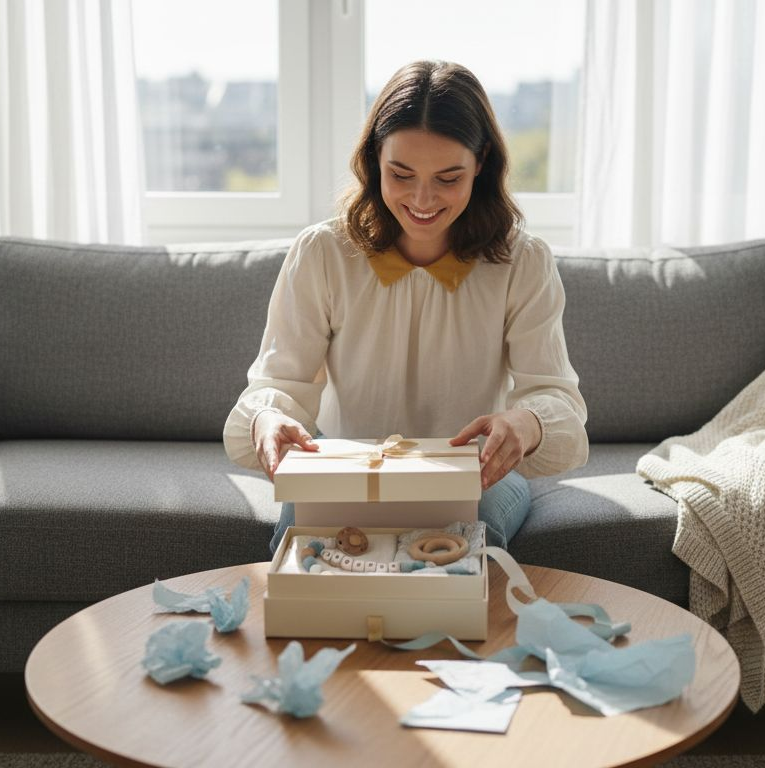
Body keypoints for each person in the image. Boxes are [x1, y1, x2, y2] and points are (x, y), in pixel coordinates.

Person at [221, 60, 588, 553]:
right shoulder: (322, 254)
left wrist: (527, 422)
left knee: (473, 541)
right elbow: (278, 383)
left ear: (481, 163)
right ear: (374, 160)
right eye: (402, 173)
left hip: (473, 472)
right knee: (302, 543)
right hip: (346, 462)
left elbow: (556, 397)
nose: (422, 199)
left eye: (448, 178)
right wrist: (268, 419)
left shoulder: (523, 261)